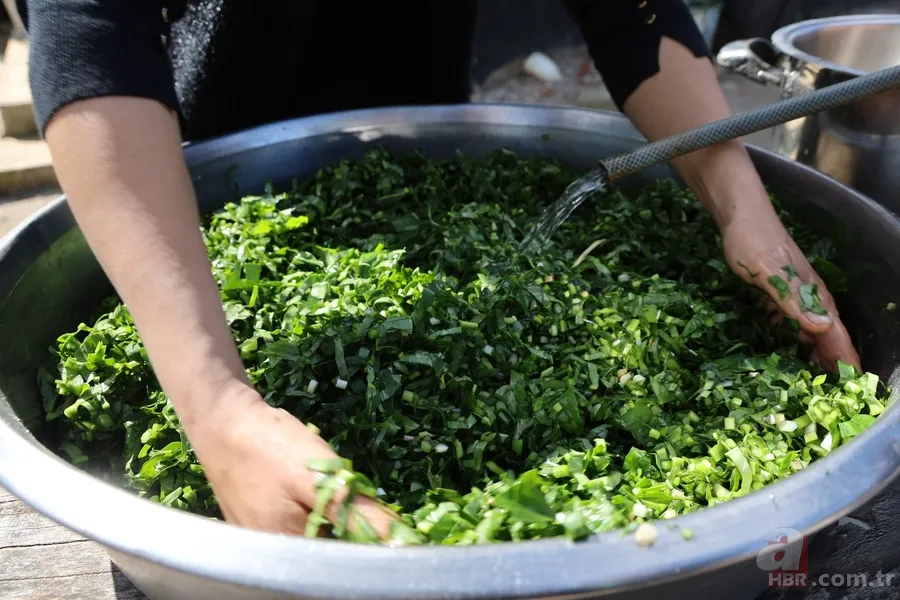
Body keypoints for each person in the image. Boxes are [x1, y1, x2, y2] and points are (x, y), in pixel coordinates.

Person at [16, 0, 859, 539]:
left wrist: (740, 204)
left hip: (424, 127)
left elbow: (631, 10)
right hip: (193, 187)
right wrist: (215, 401)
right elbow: (92, 31)